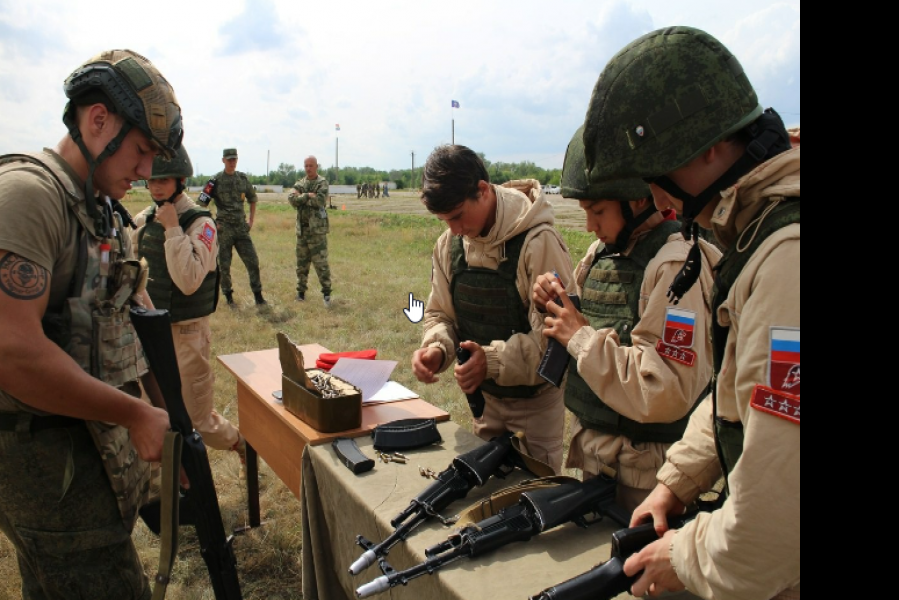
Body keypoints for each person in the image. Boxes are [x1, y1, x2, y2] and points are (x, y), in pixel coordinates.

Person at [581, 26, 799, 599]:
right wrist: (676, 482)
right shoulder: (750, 235)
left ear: (707, 148)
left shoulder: (785, 262)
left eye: (658, 177)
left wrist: (686, 553)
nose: (656, 201)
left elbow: (775, 516)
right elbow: (737, 396)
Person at [0, 49, 182, 599]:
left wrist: (170, 418)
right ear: (97, 120)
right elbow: (13, 350)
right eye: (142, 150)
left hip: (89, 463)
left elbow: (127, 323)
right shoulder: (29, 197)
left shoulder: (101, 209)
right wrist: (134, 413)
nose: (148, 170)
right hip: (48, 474)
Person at [532, 127, 720, 513]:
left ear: (639, 200)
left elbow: (666, 390)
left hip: (648, 475)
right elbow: (592, 323)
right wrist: (554, 305)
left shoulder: (676, 266)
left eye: (597, 211)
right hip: (597, 459)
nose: (589, 225)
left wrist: (580, 337)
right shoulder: (602, 253)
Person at [411, 145, 573, 474]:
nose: (453, 229)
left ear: (482, 191)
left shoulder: (538, 242)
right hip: (486, 404)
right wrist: (436, 348)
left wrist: (493, 360)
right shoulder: (449, 245)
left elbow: (557, 343)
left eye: (457, 216)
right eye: (444, 220)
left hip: (535, 408)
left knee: (535, 499)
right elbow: (440, 314)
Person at [131, 145, 247, 468]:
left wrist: (172, 229)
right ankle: (175, 484)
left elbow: (189, 280)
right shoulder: (142, 221)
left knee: (198, 419)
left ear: (180, 180)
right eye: (152, 180)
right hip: (150, 331)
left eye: (164, 179)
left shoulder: (201, 224)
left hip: (188, 334)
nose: (156, 186)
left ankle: (242, 446)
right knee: (153, 413)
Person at [199, 148, 266, 306]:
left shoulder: (242, 179)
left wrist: (251, 220)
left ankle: (258, 296)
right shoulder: (214, 181)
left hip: (241, 228)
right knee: (224, 265)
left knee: (253, 261)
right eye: (229, 159)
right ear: (223, 160)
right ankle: (228, 296)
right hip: (224, 230)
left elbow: (253, 198)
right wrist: (214, 223)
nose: (232, 162)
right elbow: (201, 204)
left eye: (234, 159)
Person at [289, 156, 332, 307]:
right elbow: (291, 199)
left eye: (311, 166)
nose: (308, 168)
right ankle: (300, 293)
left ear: (316, 166)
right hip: (302, 231)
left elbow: (320, 201)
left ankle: (326, 294)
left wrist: (301, 197)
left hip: (317, 232)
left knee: (321, 264)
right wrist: (307, 195)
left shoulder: (322, 182)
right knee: (301, 264)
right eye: (306, 166)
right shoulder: (301, 183)